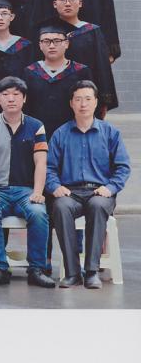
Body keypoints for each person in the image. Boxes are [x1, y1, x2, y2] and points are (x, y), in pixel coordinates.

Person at [47, 80, 131, 289]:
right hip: (70, 192)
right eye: (78, 99)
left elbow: (122, 167)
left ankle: (92, 272)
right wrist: (55, 186)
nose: (83, 104)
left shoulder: (110, 133)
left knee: (97, 206)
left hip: (99, 192)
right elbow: (48, 168)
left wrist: (110, 188)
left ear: (95, 102)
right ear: (71, 103)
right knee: (60, 207)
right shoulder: (60, 134)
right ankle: (72, 273)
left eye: (87, 99)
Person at [0, 76, 56, 288]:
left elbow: (41, 163)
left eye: (16, 94)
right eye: (5, 94)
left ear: (24, 98)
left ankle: (36, 269)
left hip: (25, 191)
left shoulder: (36, 126)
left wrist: (38, 192)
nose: (11, 99)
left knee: (38, 213)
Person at [49, 0, 118, 115]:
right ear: (54, 4)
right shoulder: (47, 33)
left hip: (86, 97)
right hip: (55, 97)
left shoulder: (92, 31)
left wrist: (104, 99)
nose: (67, 4)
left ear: (80, 3)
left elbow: (102, 68)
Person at [23, 20, 93, 141]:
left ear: (66, 43)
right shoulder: (30, 72)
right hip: (38, 136)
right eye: (46, 41)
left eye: (57, 41)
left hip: (72, 135)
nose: (51, 46)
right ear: (40, 45)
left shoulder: (81, 72)